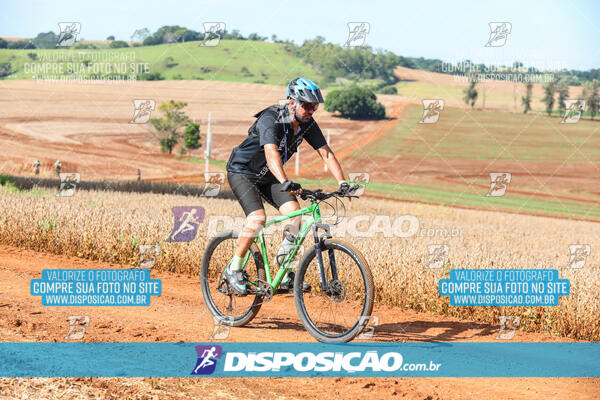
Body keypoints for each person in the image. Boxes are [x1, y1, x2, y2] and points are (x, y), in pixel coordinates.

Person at [224, 77, 349, 295]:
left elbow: (325, 153)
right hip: (243, 172)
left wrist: (343, 182)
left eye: (315, 106)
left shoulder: (307, 123)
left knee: (295, 215)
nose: (311, 110)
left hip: (270, 176)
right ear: (292, 101)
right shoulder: (271, 118)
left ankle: (284, 271)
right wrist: (284, 181)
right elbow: (271, 152)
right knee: (257, 219)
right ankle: (234, 269)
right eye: (307, 105)